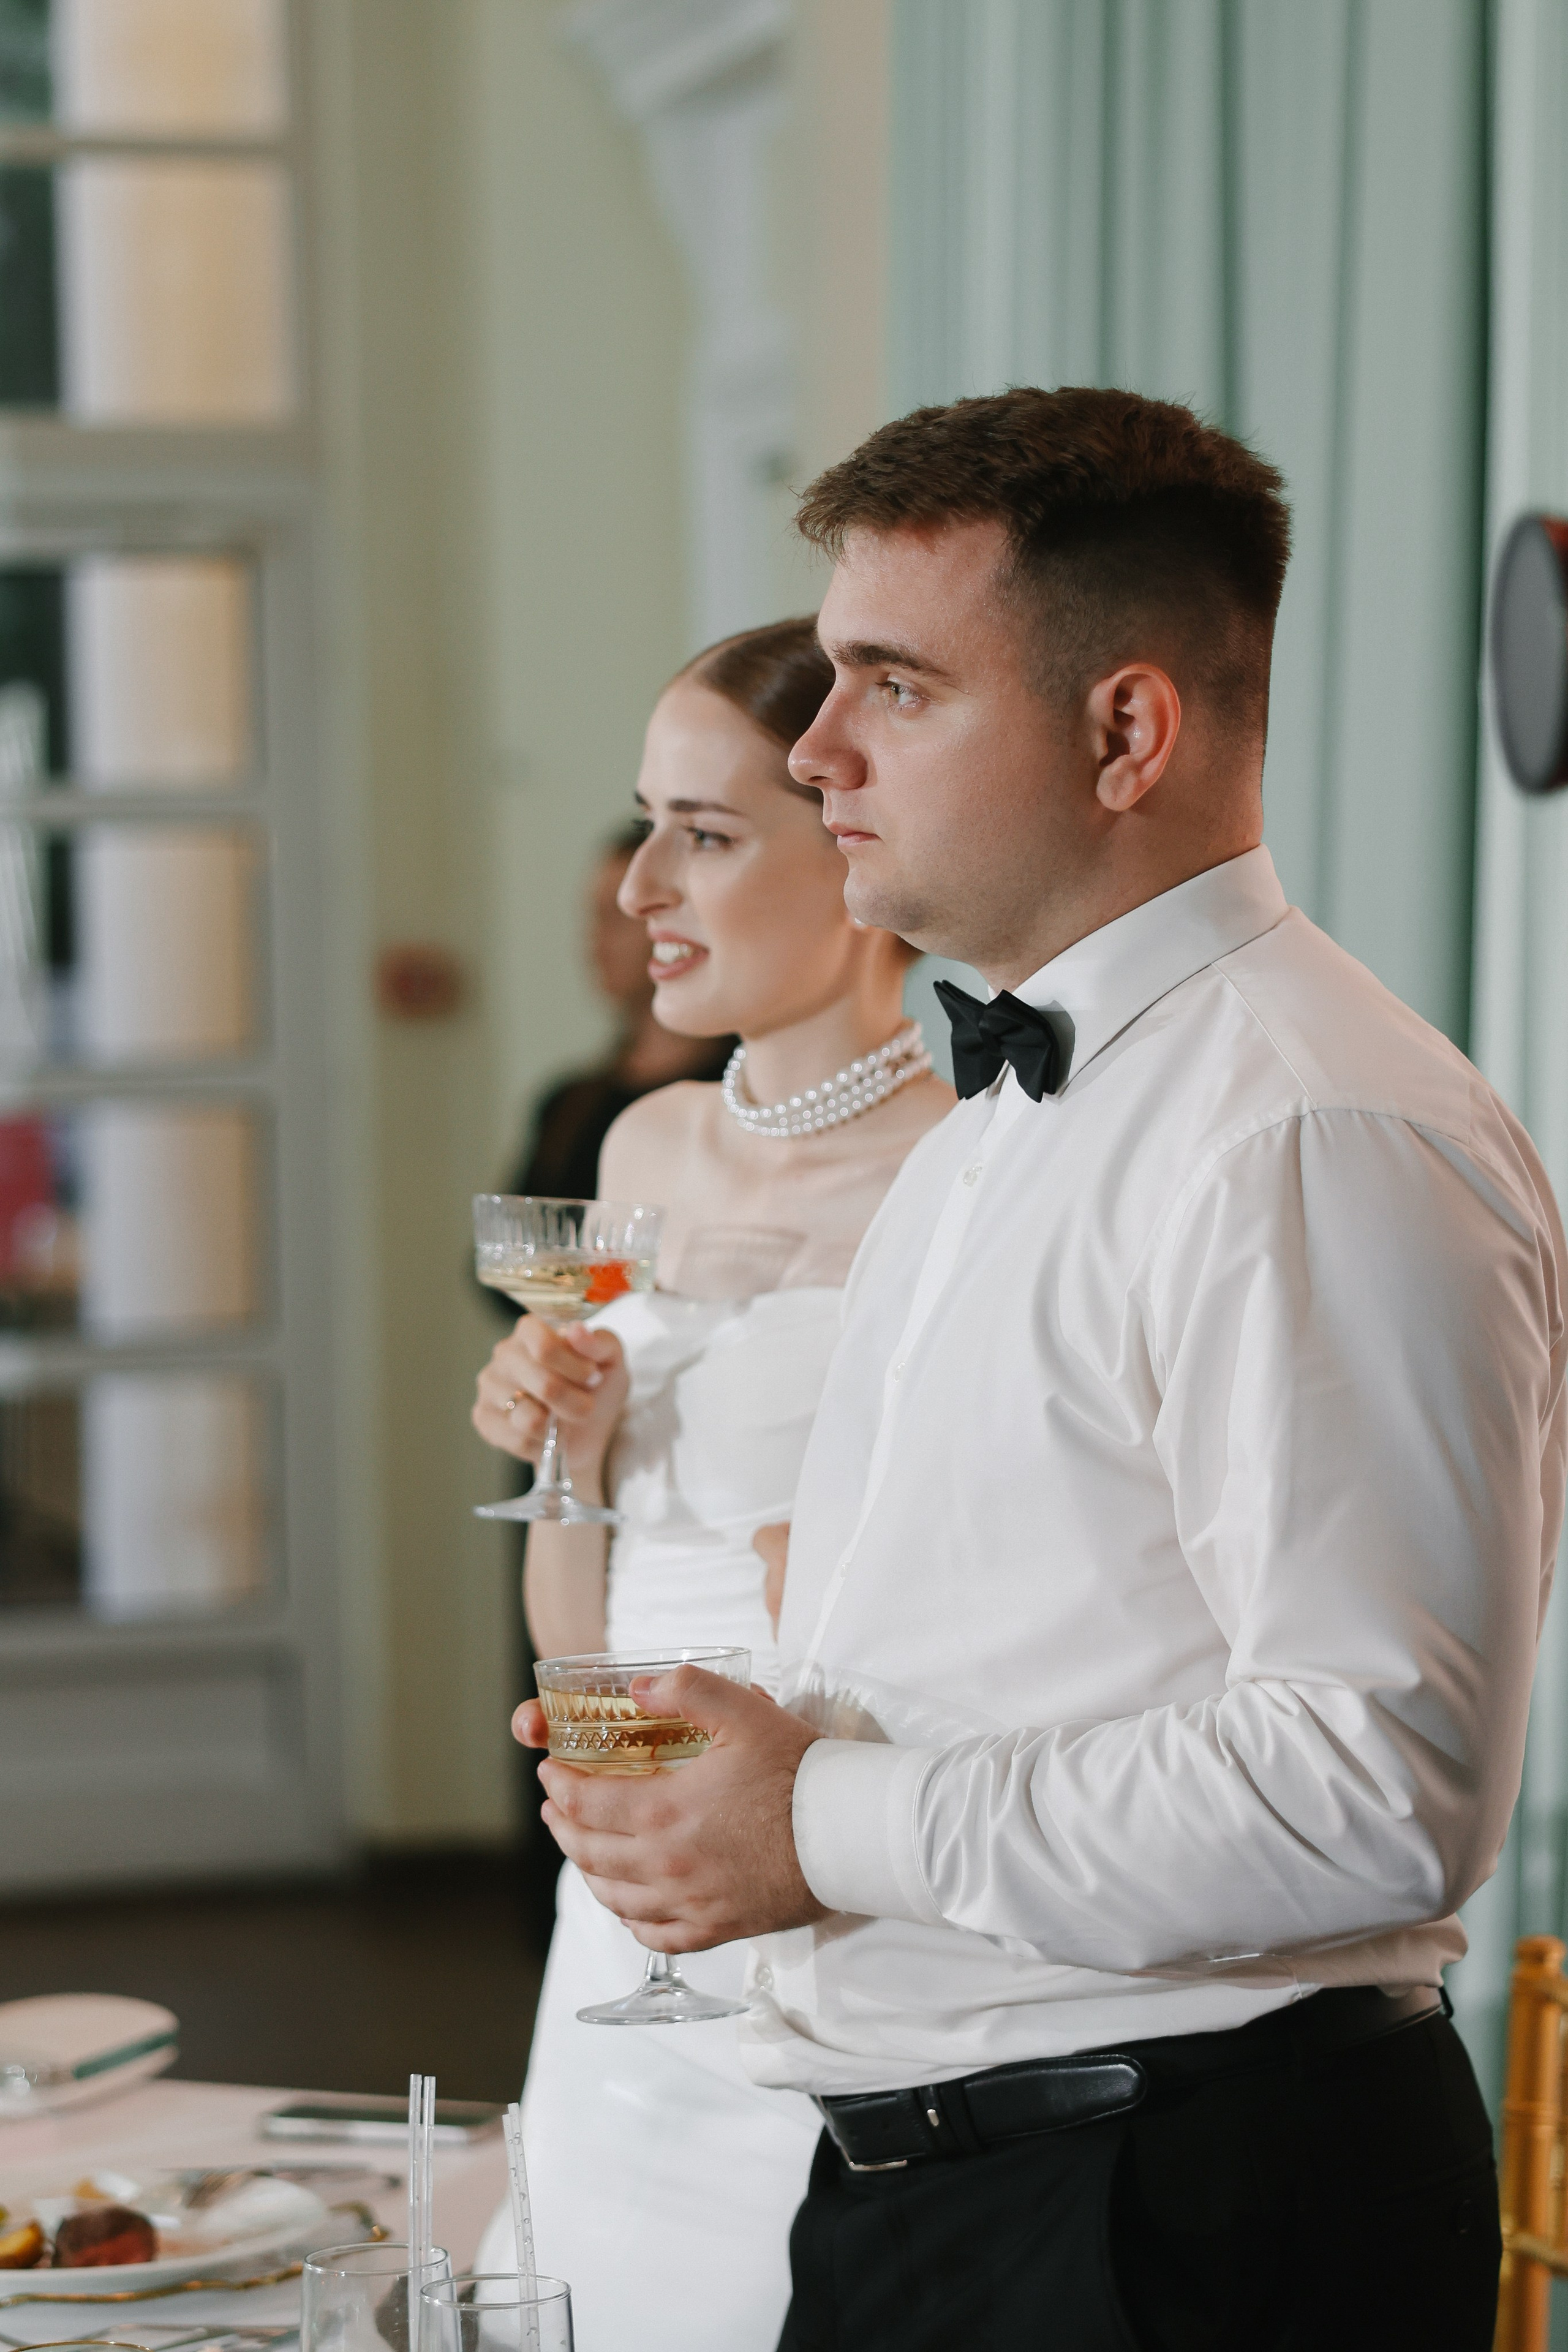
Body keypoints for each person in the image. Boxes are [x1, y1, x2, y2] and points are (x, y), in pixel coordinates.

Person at [520, 388, 1568, 2350]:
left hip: (1175, 2213)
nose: (821, 752)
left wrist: (806, 1818)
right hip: (950, 2184)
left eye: (892, 689)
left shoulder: (1309, 1129)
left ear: (1125, 730)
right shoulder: (1003, 1111)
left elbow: (1373, 1785)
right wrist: (753, 1731)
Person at [470, 616, 954, 2352]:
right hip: (621, 1913)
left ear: (856, 842)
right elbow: (572, 1617)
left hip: (826, 1900)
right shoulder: (643, 1146)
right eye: (645, 824)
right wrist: (567, 1441)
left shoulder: (971, 1164)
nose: (641, 889)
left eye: (708, 834)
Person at [497, 820, 732, 1216]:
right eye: (592, 916)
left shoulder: (742, 1094)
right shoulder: (569, 1104)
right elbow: (504, 1251)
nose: (594, 939)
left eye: (619, 917)